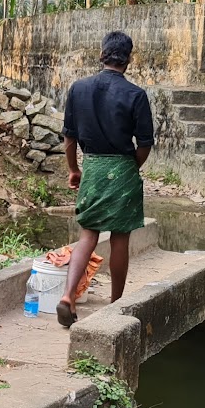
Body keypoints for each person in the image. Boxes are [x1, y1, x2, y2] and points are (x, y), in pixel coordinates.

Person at [55, 30, 154, 328]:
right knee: (120, 236)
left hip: (94, 167)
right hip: (123, 167)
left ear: (102, 55)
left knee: (89, 235)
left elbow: (69, 138)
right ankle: (116, 304)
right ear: (128, 60)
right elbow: (145, 143)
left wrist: (74, 169)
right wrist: (129, 168)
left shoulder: (79, 89)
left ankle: (68, 296)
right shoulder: (136, 94)